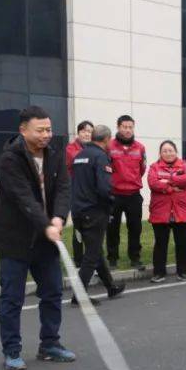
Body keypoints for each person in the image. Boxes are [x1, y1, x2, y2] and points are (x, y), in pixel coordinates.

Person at [0, 106, 75, 370]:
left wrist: (59, 217)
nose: (46, 135)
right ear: (23, 130)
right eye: (40, 130)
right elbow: (23, 198)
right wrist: (45, 224)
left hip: (45, 240)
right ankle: (12, 350)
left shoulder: (54, 154)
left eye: (49, 129)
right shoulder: (10, 159)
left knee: (52, 292)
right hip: (15, 239)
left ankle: (50, 344)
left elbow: (63, 188)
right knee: (12, 297)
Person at [69, 124, 125, 304]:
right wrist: (111, 204)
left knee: (96, 250)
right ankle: (79, 294)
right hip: (94, 211)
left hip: (79, 210)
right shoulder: (100, 157)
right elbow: (104, 187)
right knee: (91, 255)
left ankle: (111, 287)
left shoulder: (79, 156)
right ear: (107, 140)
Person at [147, 140, 186, 282]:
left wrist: (168, 179)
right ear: (160, 154)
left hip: (181, 211)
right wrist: (171, 188)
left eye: (170, 150)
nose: (168, 153)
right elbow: (153, 183)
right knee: (161, 244)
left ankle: (183, 272)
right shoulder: (154, 167)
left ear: (176, 152)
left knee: (182, 243)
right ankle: (159, 273)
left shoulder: (185, 166)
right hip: (160, 212)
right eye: (165, 151)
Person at [106, 114, 146, 270]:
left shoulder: (140, 148)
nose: (128, 130)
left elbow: (142, 169)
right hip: (114, 194)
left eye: (130, 127)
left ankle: (135, 258)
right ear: (118, 127)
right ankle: (112, 259)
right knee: (112, 228)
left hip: (134, 195)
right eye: (125, 127)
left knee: (135, 228)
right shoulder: (109, 147)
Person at [66, 119, 94, 266]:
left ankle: (91, 259)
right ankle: (78, 259)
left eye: (90, 131)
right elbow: (80, 160)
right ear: (78, 133)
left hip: (91, 193)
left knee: (92, 227)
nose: (87, 134)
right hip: (77, 194)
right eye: (84, 131)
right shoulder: (71, 148)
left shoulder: (94, 148)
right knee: (78, 227)